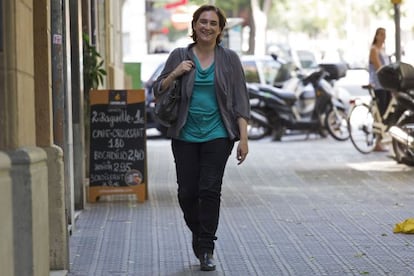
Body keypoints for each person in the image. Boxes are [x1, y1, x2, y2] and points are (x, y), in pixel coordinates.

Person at [153, 5, 250, 271]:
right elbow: (157, 90)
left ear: (220, 30)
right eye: (203, 22)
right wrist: (176, 73)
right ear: (194, 25)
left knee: (209, 190)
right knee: (187, 193)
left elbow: (241, 101)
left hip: (218, 135)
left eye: (213, 23)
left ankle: (206, 248)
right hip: (184, 134)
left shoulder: (229, 59)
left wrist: (243, 139)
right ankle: (199, 233)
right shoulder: (179, 55)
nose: (207, 27)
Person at [368, 27, 391, 152]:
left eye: (384, 34)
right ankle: (378, 142)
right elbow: (379, 68)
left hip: (386, 85)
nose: (383, 37)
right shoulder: (374, 50)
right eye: (381, 34)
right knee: (380, 112)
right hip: (378, 85)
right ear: (376, 36)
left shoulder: (383, 50)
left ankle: (382, 139)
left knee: (386, 112)